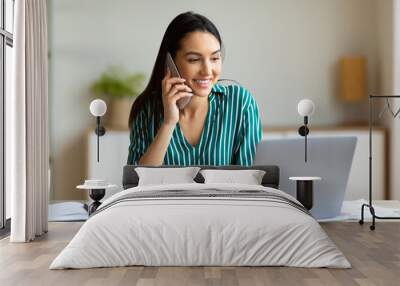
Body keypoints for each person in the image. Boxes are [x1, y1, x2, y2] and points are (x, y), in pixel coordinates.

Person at [127, 11, 262, 166]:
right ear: (170, 62)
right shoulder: (147, 110)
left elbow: (252, 180)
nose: (207, 71)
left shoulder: (240, 103)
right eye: (194, 59)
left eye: (215, 58)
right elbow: (137, 183)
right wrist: (169, 123)